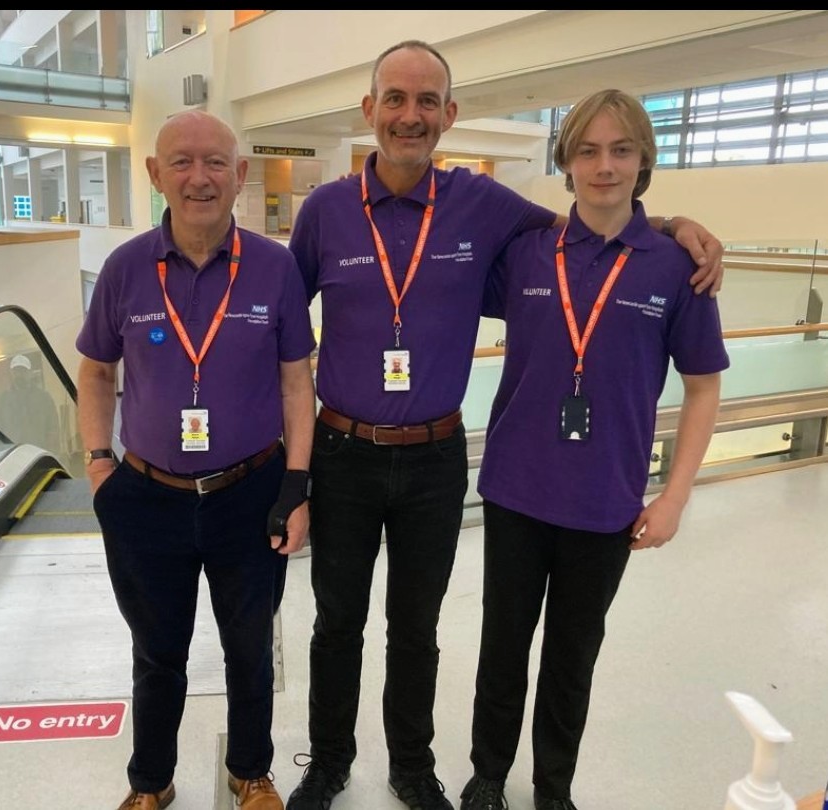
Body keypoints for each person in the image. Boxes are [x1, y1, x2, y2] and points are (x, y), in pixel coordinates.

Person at [285, 40, 725, 810]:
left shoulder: (486, 208)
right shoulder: (324, 212)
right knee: (336, 625)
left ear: (449, 116)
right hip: (344, 450)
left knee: (416, 630)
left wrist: (678, 224)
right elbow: (286, 343)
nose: (410, 116)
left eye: (427, 102)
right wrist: (288, 469)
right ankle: (328, 762)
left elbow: (591, 221)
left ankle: (414, 768)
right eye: (395, 99)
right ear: (370, 111)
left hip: (434, 457)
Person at [458, 89, 729, 810]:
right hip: (516, 489)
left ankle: (553, 790)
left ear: (643, 161)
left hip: (606, 502)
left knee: (572, 658)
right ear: (566, 161)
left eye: (621, 150)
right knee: (502, 648)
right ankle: (488, 775)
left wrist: (674, 496)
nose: (603, 166)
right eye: (587, 150)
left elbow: (703, 388)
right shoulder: (524, 254)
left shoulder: (677, 267)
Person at [75, 110, 317, 810]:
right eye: (181, 162)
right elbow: (95, 371)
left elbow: (296, 381)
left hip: (251, 491)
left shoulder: (273, 267)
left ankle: (251, 772)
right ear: (155, 174)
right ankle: (150, 783)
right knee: (157, 654)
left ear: (240, 175)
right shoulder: (126, 269)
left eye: (215, 162)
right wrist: (98, 466)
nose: (199, 177)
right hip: (147, 498)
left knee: (249, 650)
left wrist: (296, 486)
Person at [0, 354, 60, 451]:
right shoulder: (4, 400)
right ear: (12, 373)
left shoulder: (44, 398)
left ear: (30, 372)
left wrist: (50, 451)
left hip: (39, 453)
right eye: (16, 371)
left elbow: (53, 427)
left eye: (23, 371)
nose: (19, 374)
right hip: (13, 454)